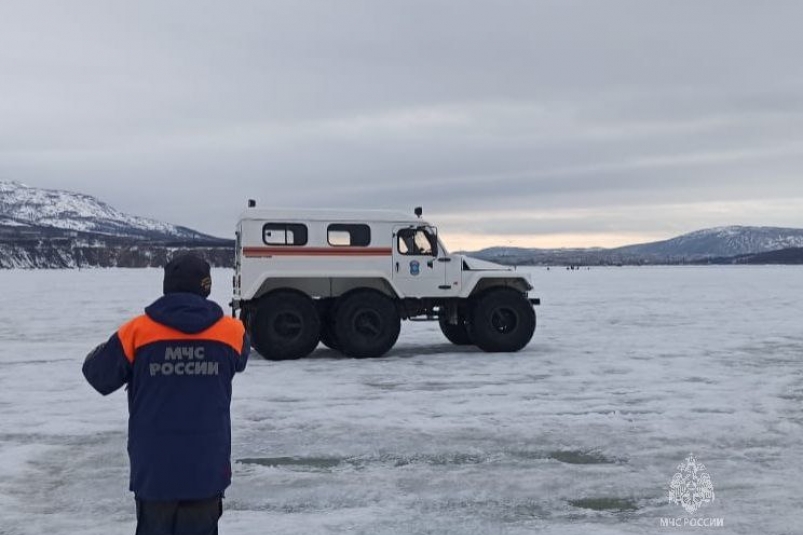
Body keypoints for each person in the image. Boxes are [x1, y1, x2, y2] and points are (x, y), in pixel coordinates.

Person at [82, 253, 249, 535]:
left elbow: (97, 374)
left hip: (154, 471)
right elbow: (240, 360)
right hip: (206, 468)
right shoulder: (232, 332)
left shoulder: (137, 331)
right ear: (205, 287)